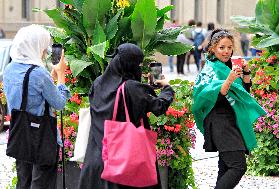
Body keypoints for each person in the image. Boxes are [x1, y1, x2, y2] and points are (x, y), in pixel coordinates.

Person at [78, 43, 175, 189]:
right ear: (131, 65)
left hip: (96, 160)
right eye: (139, 64)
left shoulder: (98, 83)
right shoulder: (131, 88)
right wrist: (167, 88)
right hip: (124, 161)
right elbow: (158, 106)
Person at [192, 29, 266, 189]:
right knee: (238, 166)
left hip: (232, 120)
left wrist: (246, 72)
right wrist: (229, 79)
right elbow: (211, 96)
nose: (227, 51)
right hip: (219, 122)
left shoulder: (229, 66)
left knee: (225, 167)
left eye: (230, 47)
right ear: (212, 48)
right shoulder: (210, 69)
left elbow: (244, 93)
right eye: (222, 47)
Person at [3, 24, 70, 188]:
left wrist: (50, 79)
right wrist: (61, 75)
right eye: (43, 48)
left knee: (24, 182)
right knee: (42, 183)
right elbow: (59, 103)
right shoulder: (39, 74)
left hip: (21, 134)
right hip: (42, 137)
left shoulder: (9, 69)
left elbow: (27, 97)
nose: (45, 53)